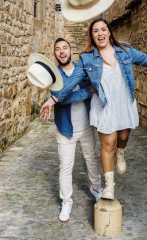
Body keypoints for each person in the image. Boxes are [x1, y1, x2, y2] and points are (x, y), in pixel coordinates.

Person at [40, 18, 147, 200]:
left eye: (103, 29)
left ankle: (121, 152)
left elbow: (145, 59)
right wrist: (53, 99)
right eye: (95, 31)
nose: (100, 33)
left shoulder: (124, 50)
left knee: (123, 137)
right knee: (108, 144)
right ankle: (108, 187)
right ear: (92, 36)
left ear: (109, 32)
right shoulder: (87, 58)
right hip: (104, 105)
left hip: (124, 102)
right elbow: (71, 83)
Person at [48, 38, 103, 222]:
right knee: (65, 166)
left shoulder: (82, 69)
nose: (62, 52)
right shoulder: (53, 76)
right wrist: (86, 92)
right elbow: (61, 98)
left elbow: (94, 85)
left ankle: (96, 189)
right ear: (55, 54)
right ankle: (66, 201)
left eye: (65, 48)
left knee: (92, 160)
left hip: (86, 126)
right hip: (65, 129)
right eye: (58, 49)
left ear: (71, 50)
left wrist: (76, 93)